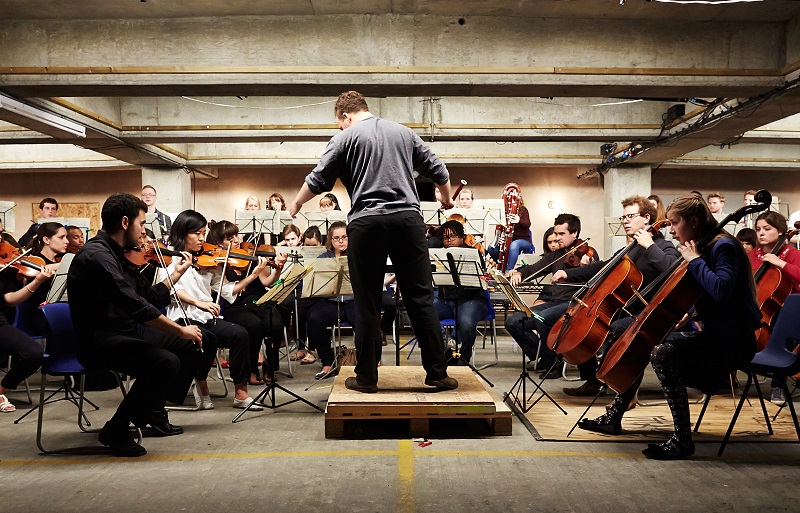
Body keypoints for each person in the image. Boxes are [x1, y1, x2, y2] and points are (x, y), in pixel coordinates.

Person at [289, 90, 457, 393]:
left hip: (366, 224)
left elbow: (317, 180)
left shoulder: (344, 137)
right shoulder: (404, 133)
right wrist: (445, 199)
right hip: (407, 220)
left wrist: (297, 204)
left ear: (345, 116)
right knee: (420, 298)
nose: (341, 128)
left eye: (340, 123)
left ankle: (366, 378)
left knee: (366, 302)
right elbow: (439, 170)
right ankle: (437, 374)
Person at [577, 193, 760, 460]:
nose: (672, 230)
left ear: (694, 221)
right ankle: (616, 414)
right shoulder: (705, 246)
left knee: (663, 352)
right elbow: (712, 296)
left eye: (675, 223)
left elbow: (722, 290)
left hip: (733, 341)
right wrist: (693, 313)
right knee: (642, 339)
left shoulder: (723, 247)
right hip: (717, 332)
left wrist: (693, 260)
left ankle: (682, 439)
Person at [67, 193, 204, 457]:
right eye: (142, 224)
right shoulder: (98, 257)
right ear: (126, 222)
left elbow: (147, 297)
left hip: (124, 331)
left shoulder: (117, 254)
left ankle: (151, 407)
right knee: (165, 362)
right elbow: (136, 306)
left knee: (187, 346)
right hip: (99, 341)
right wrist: (179, 328)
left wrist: (175, 274)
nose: (144, 232)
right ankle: (116, 429)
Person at [553, 196, 680, 397]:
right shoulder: (631, 248)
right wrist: (568, 273)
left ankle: (616, 383)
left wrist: (650, 245)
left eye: (630, 216)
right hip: (623, 307)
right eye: (623, 217)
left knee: (614, 329)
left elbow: (672, 269)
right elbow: (604, 266)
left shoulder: (662, 246)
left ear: (647, 218)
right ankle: (593, 380)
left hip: (646, 313)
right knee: (584, 324)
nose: (625, 221)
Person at [160, 210, 261, 411]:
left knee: (240, 334)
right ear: (182, 233)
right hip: (182, 318)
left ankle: (241, 393)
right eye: (196, 233)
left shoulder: (207, 259)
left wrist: (253, 275)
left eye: (204, 233)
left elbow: (225, 290)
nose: (201, 238)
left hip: (206, 317)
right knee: (205, 339)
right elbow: (173, 290)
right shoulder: (168, 258)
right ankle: (202, 383)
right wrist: (200, 303)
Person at [504, 213, 598, 379]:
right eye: (556, 233)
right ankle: (543, 355)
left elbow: (596, 277)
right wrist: (519, 273)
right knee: (513, 322)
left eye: (561, 234)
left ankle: (553, 363)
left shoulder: (588, 253)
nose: (557, 238)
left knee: (542, 317)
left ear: (574, 233)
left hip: (574, 304)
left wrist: (586, 268)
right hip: (554, 302)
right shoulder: (556, 254)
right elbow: (534, 268)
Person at [206, 220, 287, 385]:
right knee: (254, 325)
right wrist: (252, 275)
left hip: (259, 300)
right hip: (236, 306)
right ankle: (251, 369)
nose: (236, 241)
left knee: (276, 323)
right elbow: (228, 291)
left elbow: (267, 282)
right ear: (219, 243)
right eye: (230, 239)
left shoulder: (250, 254)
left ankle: (270, 365)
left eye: (236, 236)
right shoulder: (218, 264)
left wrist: (278, 269)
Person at [748, 211, 800, 405]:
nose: (761, 233)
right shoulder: (753, 255)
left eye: (767, 229)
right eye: (758, 229)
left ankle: (778, 384)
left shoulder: (792, 254)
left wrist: (781, 263)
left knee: (781, 324)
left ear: (780, 232)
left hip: (786, 310)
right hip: (758, 306)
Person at [433, 220, 489, 365]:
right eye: (445, 237)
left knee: (466, 323)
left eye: (453, 236)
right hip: (445, 300)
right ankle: (443, 350)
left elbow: (480, 281)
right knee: (422, 314)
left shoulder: (473, 253)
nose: (449, 240)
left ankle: (464, 357)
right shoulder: (438, 255)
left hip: (471, 300)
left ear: (461, 237)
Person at [304, 221, 354, 379]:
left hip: (354, 301)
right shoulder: (324, 258)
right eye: (336, 238)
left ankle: (369, 361)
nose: (341, 241)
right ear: (330, 240)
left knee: (366, 319)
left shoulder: (357, 254)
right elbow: (315, 284)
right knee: (314, 319)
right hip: (331, 301)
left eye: (344, 237)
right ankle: (327, 363)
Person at [18, 222, 68, 336]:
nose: (67, 241)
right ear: (46, 240)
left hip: (59, 312)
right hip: (39, 315)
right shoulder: (34, 263)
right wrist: (68, 264)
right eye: (61, 237)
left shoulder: (60, 261)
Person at [487, 195, 534, 272]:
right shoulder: (503, 212)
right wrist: (499, 239)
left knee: (514, 244)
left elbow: (527, 224)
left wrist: (519, 220)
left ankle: (508, 271)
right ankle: (499, 266)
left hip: (523, 241)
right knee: (491, 248)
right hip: (508, 241)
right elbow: (499, 230)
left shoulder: (523, 210)